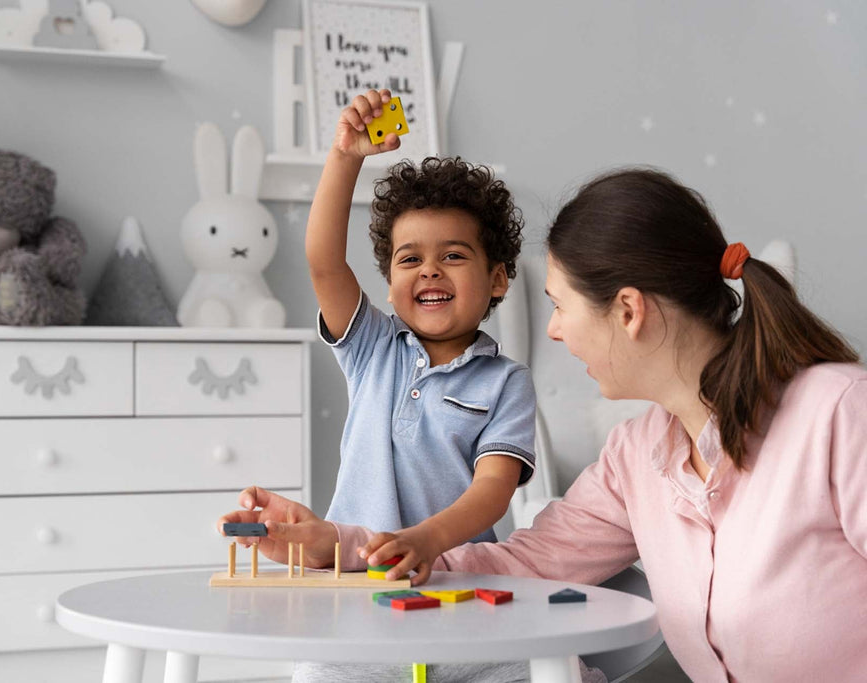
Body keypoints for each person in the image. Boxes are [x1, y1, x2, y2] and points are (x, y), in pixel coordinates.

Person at [221, 167, 867, 682]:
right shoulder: (634, 456)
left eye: (559, 305)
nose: (553, 329)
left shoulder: (838, 413)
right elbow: (519, 562)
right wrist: (337, 544)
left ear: (628, 310)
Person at [304, 87, 536, 576]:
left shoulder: (507, 382)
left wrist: (426, 541)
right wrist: (345, 158)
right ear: (390, 285)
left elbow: (493, 491)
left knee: (470, 655)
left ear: (497, 279)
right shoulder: (372, 349)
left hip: (451, 572)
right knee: (346, 655)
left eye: (452, 255)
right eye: (409, 260)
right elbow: (324, 263)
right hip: (354, 569)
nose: (429, 270)